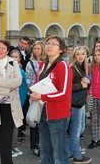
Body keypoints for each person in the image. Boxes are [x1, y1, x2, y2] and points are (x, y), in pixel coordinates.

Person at [30, 35, 73, 164]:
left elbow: (65, 93)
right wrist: (34, 93)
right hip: (43, 114)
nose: (49, 46)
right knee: (45, 151)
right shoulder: (43, 65)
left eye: (54, 44)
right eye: (48, 43)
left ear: (61, 50)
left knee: (59, 154)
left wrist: (42, 96)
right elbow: (38, 84)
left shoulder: (63, 66)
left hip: (58, 116)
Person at [67, 45, 92, 163]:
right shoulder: (72, 68)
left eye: (83, 54)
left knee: (80, 127)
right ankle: (77, 155)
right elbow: (67, 87)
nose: (81, 56)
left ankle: (68, 152)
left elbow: (86, 84)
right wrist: (82, 85)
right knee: (76, 129)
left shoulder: (83, 67)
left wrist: (88, 82)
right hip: (75, 102)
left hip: (80, 101)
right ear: (74, 55)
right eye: (78, 54)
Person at [25, 41, 45, 156]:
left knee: (43, 121)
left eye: (38, 48)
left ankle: (42, 144)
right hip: (34, 95)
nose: (36, 51)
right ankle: (34, 145)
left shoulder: (47, 62)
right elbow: (29, 80)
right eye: (34, 49)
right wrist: (33, 93)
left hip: (45, 96)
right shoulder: (30, 63)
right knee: (34, 119)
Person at [9, 50, 27, 158]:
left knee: (16, 125)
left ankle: (14, 146)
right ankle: (8, 147)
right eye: (12, 56)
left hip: (19, 101)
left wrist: (22, 101)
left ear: (19, 59)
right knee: (8, 126)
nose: (14, 58)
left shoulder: (21, 70)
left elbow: (23, 87)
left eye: (16, 56)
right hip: (9, 100)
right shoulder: (6, 70)